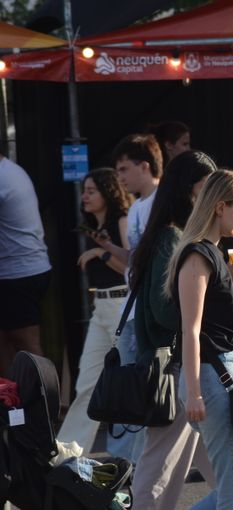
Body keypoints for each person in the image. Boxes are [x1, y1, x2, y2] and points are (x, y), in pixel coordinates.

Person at [165, 169, 233, 509]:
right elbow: (190, 329)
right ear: (220, 207)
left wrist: (230, 278)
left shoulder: (210, 253)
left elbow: (209, 316)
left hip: (221, 374)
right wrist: (193, 392)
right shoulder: (197, 255)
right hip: (212, 379)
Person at [128, 151, 217, 509]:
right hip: (175, 368)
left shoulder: (179, 235)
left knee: (228, 468)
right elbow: (165, 312)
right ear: (186, 190)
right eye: (205, 187)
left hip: (183, 366)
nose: (212, 197)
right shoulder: (171, 238)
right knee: (159, 471)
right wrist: (209, 294)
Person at [97, 133, 163, 460]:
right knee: (128, 384)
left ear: (144, 166)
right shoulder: (136, 207)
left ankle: (133, 462)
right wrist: (108, 248)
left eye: (124, 169)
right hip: (133, 307)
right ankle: (129, 461)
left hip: (151, 309)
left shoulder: (164, 201)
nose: (119, 177)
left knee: (142, 386)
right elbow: (135, 258)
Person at [57, 168, 131, 453]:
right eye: (84, 190)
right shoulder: (92, 227)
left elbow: (130, 268)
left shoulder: (122, 221)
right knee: (86, 383)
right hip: (102, 307)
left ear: (108, 193)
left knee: (136, 383)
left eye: (92, 191)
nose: (84, 196)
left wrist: (102, 252)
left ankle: (138, 453)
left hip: (122, 304)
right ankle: (65, 455)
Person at [0, 153, 51, 376]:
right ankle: (11, 405)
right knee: (6, 341)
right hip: (21, 270)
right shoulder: (10, 170)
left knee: (26, 343)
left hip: (19, 274)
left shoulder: (4, 177)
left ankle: (45, 401)